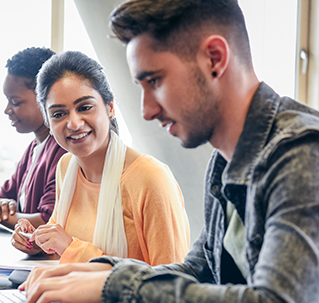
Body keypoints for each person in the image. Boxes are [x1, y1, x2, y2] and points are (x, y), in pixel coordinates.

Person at [19, 0, 319, 302]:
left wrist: (116, 285)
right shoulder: (224, 160)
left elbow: (277, 299)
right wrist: (97, 272)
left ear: (215, 58)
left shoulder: (302, 153)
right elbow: (201, 271)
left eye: (155, 81)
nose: (146, 111)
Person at [12, 50, 190, 265]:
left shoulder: (150, 178)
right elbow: (61, 251)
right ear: (48, 123)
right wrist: (35, 242)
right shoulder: (66, 167)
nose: (74, 123)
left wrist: (71, 247)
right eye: (59, 114)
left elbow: (171, 284)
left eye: (85, 107)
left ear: (110, 108)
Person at [0, 47, 67, 230]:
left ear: (45, 98)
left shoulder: (63, 151)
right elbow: (5, 197)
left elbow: (48, 221)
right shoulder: (33, 149)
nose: (7, 110)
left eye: (15, 102)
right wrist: (1, 209)